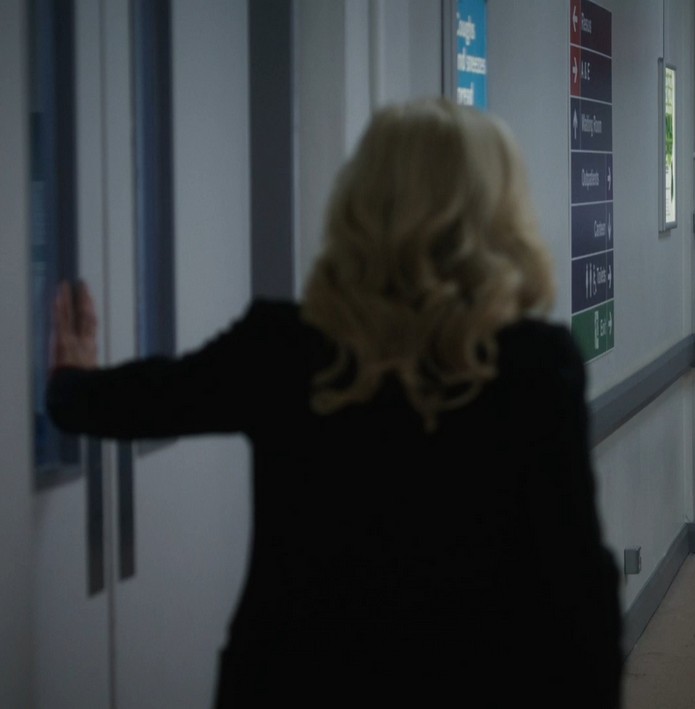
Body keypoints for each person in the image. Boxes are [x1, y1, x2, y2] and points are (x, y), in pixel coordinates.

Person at [48, 98, 624, 707]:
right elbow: (575, 583)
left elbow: (138, 401)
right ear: (496, 213)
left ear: (360, 203)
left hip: (293, 682)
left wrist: (70, 378)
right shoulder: (534, 367)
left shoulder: (282, 349)